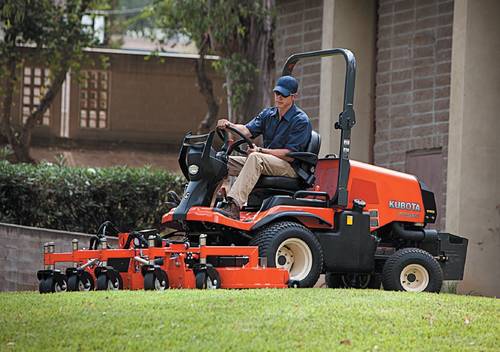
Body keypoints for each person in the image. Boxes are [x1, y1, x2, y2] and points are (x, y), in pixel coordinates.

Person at [215, 75, 312, 220]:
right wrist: (230, 126)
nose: (279, 97)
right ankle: (205, 202)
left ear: (293, 96)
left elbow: (289, 154)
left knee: (255, 158)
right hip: (266, 162)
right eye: (277, 93)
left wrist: (260, 150)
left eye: (283, 95)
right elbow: (247, 130)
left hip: (291, 167)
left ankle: (233, 206)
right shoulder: (268, 115)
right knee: (221, 160)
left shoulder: (300, 121)